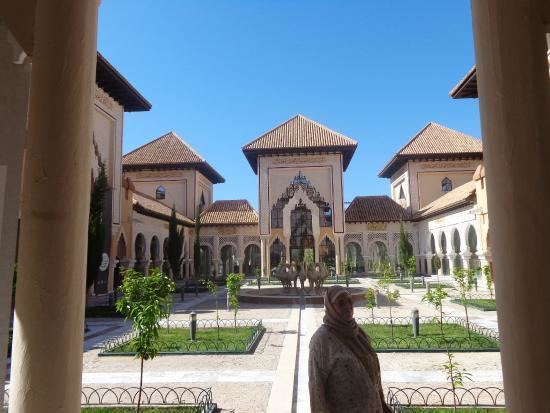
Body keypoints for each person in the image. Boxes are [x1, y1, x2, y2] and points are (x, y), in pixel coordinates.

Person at [309, 285, 391, 413]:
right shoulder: (322, 341)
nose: (347, 307)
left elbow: (374, 375)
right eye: (340, 303)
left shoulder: (358, 333)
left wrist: (382, 403)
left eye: (349, 301)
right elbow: (316, 389)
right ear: (330, 307)